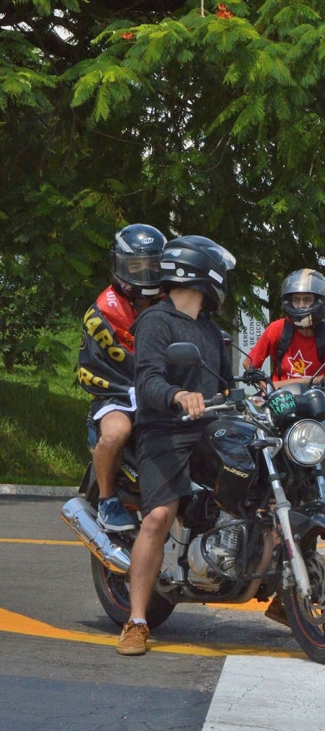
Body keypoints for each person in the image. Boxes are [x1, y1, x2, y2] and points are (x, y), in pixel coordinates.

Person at [118, 236, 235, 656]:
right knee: (159, 516)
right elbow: (146, 380)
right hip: (164, 429)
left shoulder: (209, 328)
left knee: (255, 486)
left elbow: (226, 385)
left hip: (206, 428)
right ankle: (135, 621)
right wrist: (177, 395)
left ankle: (282, 591)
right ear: (199, 272)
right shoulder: (156, 322)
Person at [243, 269, 325, 589]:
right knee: (276, 481)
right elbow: (251, 366)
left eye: (307, 299)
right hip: (285, 413)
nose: (301, 304)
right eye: (296, 299)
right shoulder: (276, 330)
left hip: (322, 410)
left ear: (320, 301)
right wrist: (264, 386)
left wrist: (283, 383)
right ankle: (274, 550)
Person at [78, 224, 167, 532]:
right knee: (116, 433)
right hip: (116, 392)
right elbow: (104, 363)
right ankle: (106, 500)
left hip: (163, 389)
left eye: (152, 265)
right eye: (136, 265)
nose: (145, 272)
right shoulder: (104, 311)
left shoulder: (169, 302)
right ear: (119, 264)